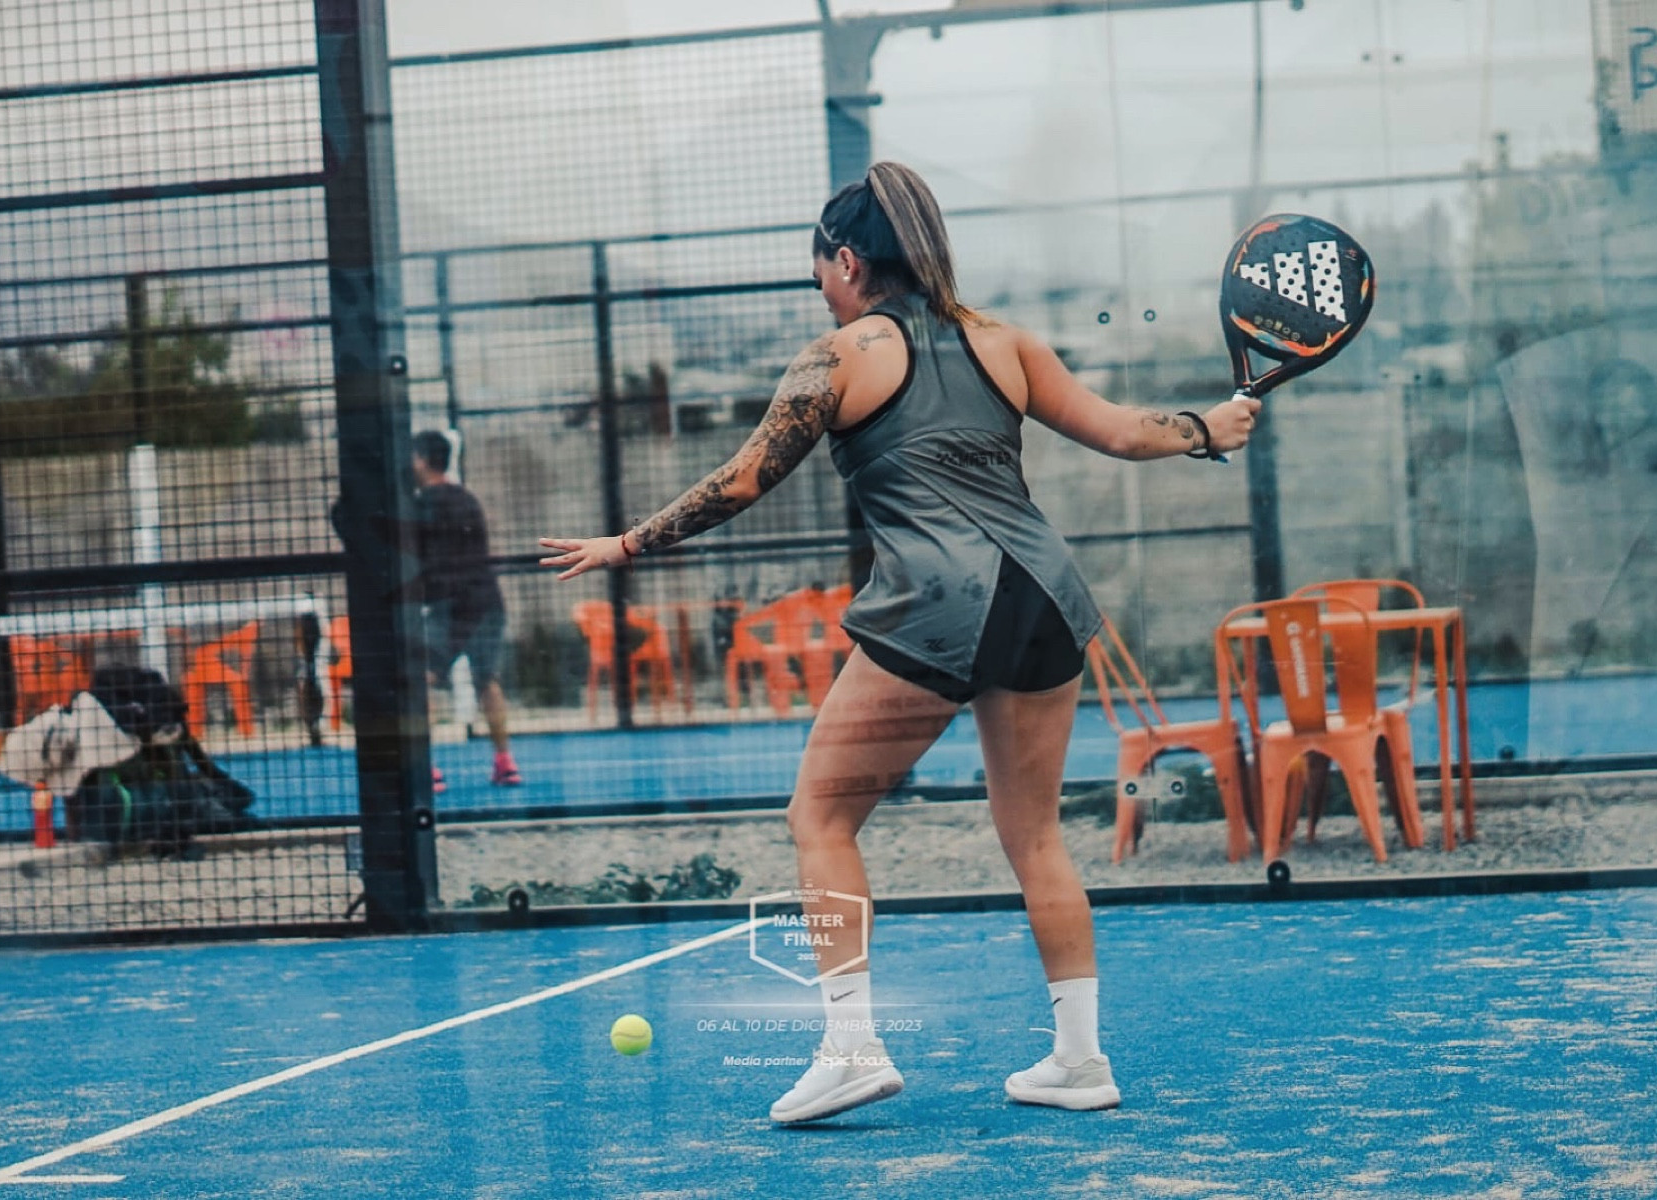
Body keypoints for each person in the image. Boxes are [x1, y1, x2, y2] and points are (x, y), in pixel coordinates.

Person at [539, 162, 1260, 1122]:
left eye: (820, 275)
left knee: (820, 820)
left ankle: (850, 1051)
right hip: (1044, 600)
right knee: (1037, 837)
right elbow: (1126, 433)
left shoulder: (837, 357)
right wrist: (1206, 428)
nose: (822, 293)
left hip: (936, 604)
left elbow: (744, 480)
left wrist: (626, 544)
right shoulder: (1006, 341)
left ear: (846, 261)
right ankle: (1081, 1061)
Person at [409, 430, 522, 787]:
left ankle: (425, 769)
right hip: (486, 601)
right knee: (487, 680)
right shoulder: (467, 498)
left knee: (421, 679)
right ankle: (505, 763)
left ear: (421, 460)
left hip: (453, 605)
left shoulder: (422, 504)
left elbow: (416, 558)